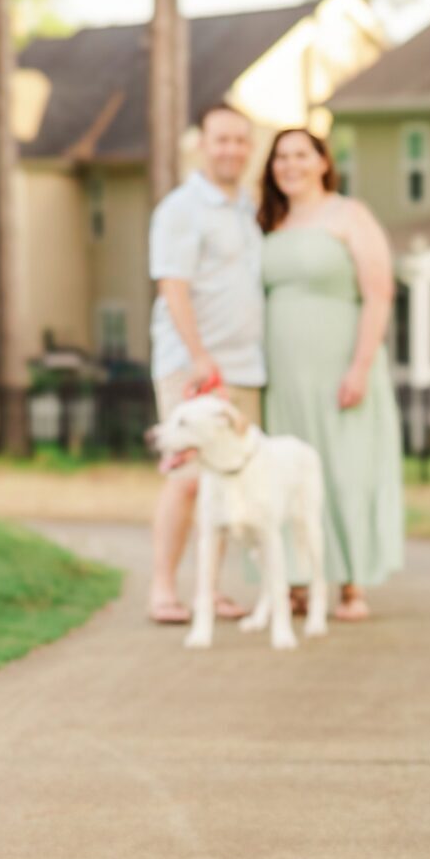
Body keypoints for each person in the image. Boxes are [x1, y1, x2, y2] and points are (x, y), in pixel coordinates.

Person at [258, 127, 403, 621]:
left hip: (339, 365)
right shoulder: (268, 222)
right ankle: (297, 580)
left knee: (345, 469)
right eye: (281, 157)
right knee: (286, 476)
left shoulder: (349, 216)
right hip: (283, 376)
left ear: (322, 162)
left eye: (301, 154)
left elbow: (379, 291)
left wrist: (360, 366)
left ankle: (353, 584)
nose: (289, 165)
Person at [146, 101, 266, 625]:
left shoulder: (247, 208)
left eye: (240, 140)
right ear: (201, 144)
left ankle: (209, 593)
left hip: (245, 369)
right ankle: (162, 591)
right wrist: (198, 356)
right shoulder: (181, 208)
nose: (231, 150)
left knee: (226, 484)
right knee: (188, 478)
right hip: (192, 365)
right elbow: (172, 285)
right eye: (221, 140)